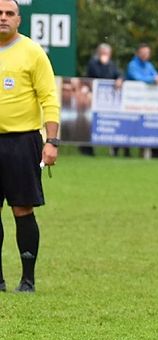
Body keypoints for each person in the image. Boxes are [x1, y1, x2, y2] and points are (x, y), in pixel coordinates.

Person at [0, 0, 59, 293]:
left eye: (9, 13)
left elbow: (49, 98)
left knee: (22, 209)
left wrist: (52, 141)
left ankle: (27, 279)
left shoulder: (32, 52)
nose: (3, 18)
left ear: (19, 19)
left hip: (22, 141)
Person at [82, 43, 122, 156]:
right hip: (93, 99)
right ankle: (87, 149)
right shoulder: (93, 63)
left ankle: (114, 150)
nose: (105, 56)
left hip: (107, 101)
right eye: (103, 53)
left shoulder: (112, 64)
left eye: (107, 54)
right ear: (98, 53)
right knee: (90, 123)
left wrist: (119, 79)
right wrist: (104, 64)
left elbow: (118, 74)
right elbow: (98, 75)